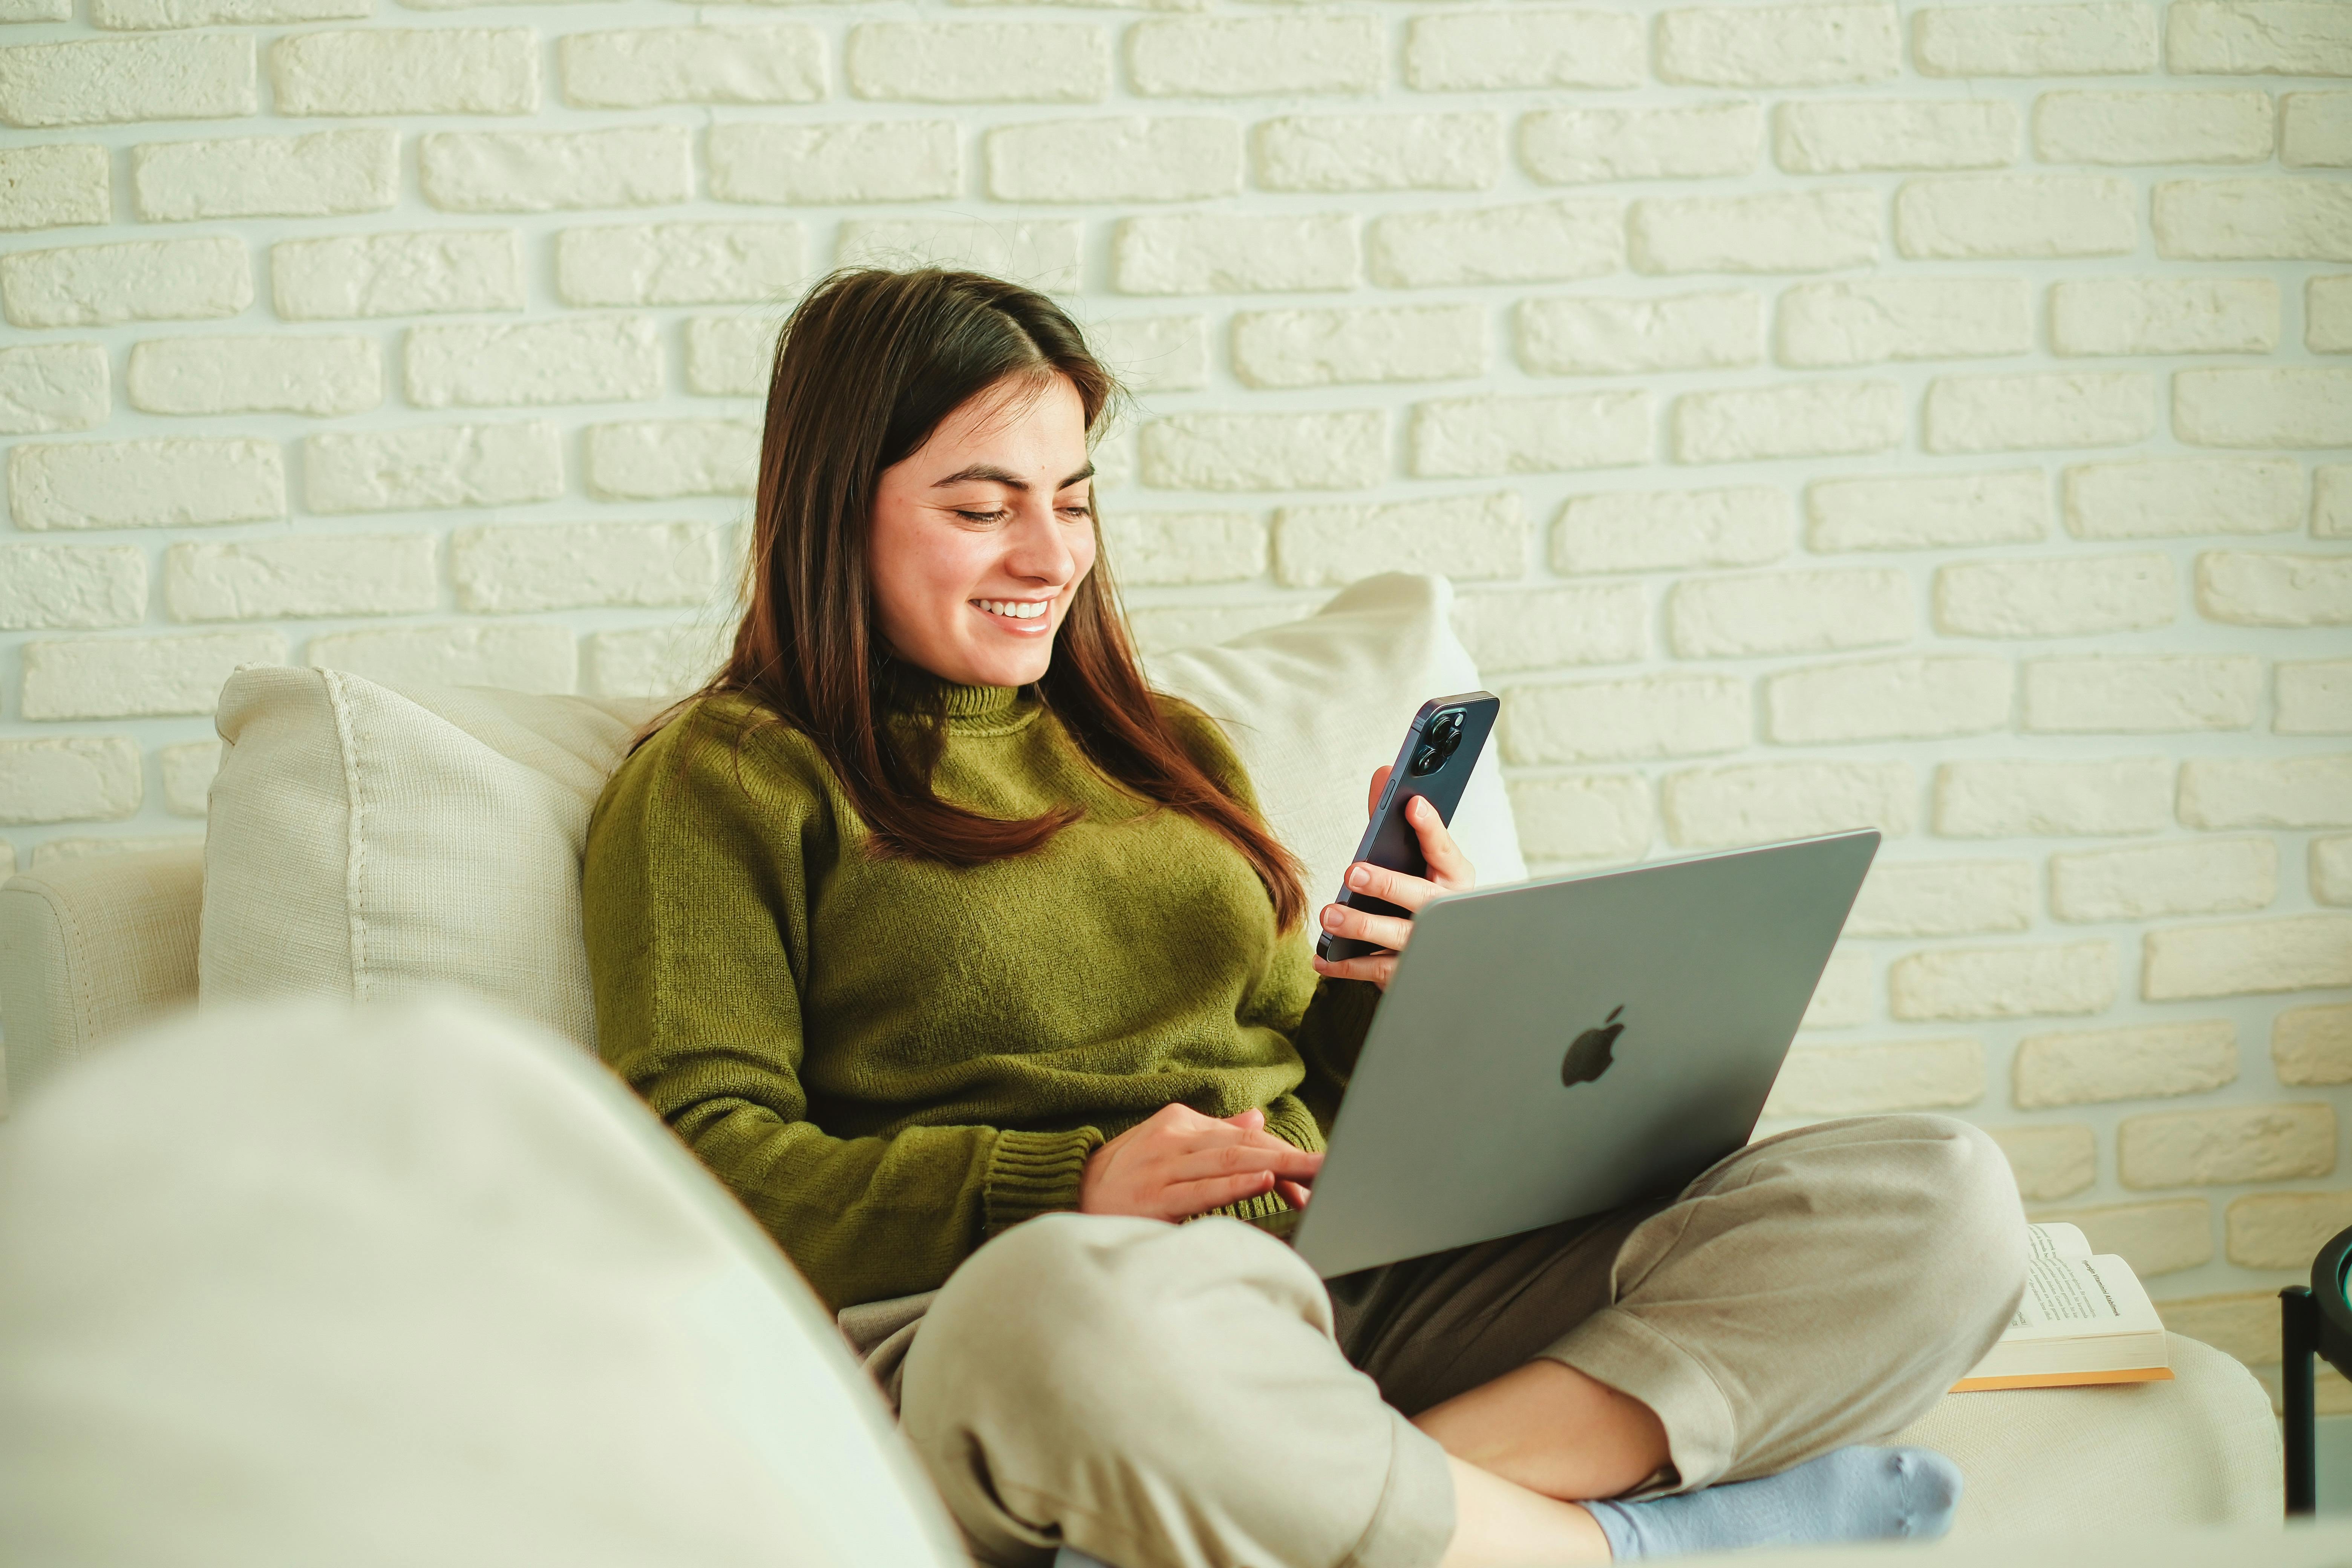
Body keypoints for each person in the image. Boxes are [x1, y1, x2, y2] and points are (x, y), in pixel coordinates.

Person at [581, 267, 2030, 1568]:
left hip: (1341, 1280)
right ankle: (1614, 1545)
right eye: (981, 507)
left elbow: (1296, 1070)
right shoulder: (728, 780)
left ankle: (1351, 1514)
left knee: (1935, 1201)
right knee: (1065, 1317)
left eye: (1073, 498)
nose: (1049, 556)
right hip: (1071, 1316)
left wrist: (1431, 1000)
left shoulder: (1168, 749)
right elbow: (696, 1170)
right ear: (835, 505)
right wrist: (1063, 1188)